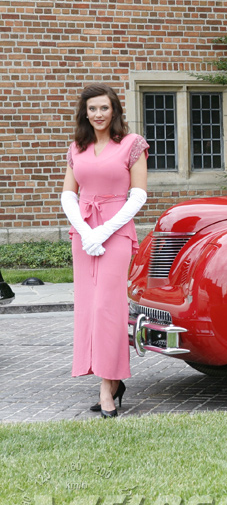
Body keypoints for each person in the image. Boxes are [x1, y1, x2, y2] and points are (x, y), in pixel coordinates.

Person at [61, 84, 148, 419]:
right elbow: (69, 194)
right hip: (84, 236)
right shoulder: (77, 148)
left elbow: (138, 194)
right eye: (92, 109)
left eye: (104, 108)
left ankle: (106, 388)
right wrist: (85, 231)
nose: (98, 114)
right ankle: (110, 382)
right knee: (88, 308)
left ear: (115, 111)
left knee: (108, 308)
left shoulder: (131, 144)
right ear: (85, 112)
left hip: (116, 232)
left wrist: (105, 230)